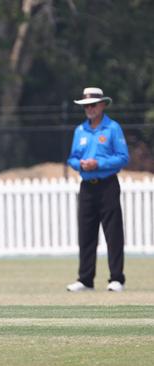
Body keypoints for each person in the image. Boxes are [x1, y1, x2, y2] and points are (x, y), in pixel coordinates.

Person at [66, 87, 129, 292]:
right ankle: (85, 279)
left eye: (93, 105)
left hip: (107, 184)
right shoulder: (80, 131)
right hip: (87, 186)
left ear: (102, 105)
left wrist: (98, 164)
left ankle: (116, 278)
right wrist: (80, 165)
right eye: (85, 106)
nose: (89, 109)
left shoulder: (113, 128)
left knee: (113, 233)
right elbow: (72, 157)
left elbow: (122, 157)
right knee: (86, 233)